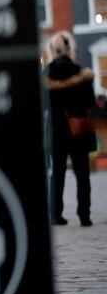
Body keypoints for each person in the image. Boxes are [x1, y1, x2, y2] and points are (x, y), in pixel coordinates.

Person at [44, 31, 96, 227]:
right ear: (69, 49)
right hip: (77, 127)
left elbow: (43, 104)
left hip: (56, 128)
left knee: (56, 172)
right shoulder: (80, 72)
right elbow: (90, 102)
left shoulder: (46, 73)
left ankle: (56, 214)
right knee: (82, 172)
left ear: (52, 49)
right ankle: (85, 215)